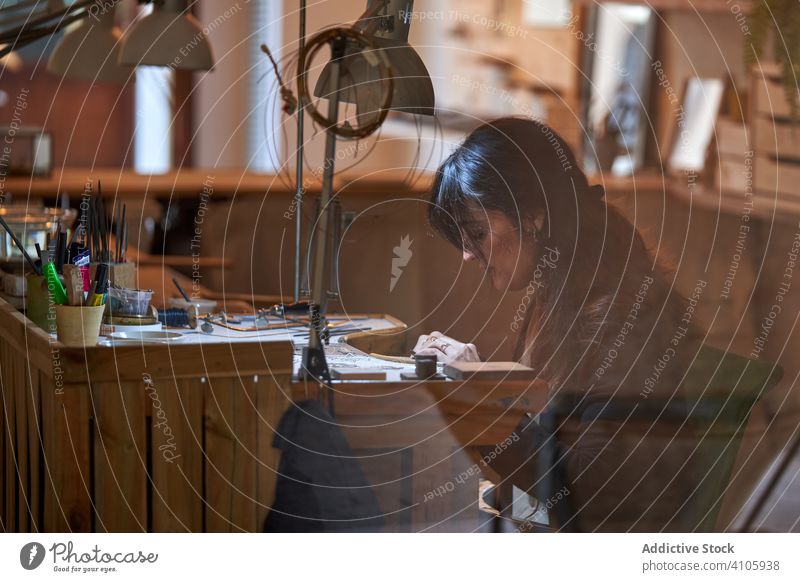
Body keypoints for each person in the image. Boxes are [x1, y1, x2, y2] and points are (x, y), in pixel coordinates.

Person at [415, 117, 709, 531]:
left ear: (534, 217)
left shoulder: (618, 318)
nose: (466, 255)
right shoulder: (560, 296)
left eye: (477, 232)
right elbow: (547, 478)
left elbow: (592, 502)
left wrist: (481, 403)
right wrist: (481, 392)